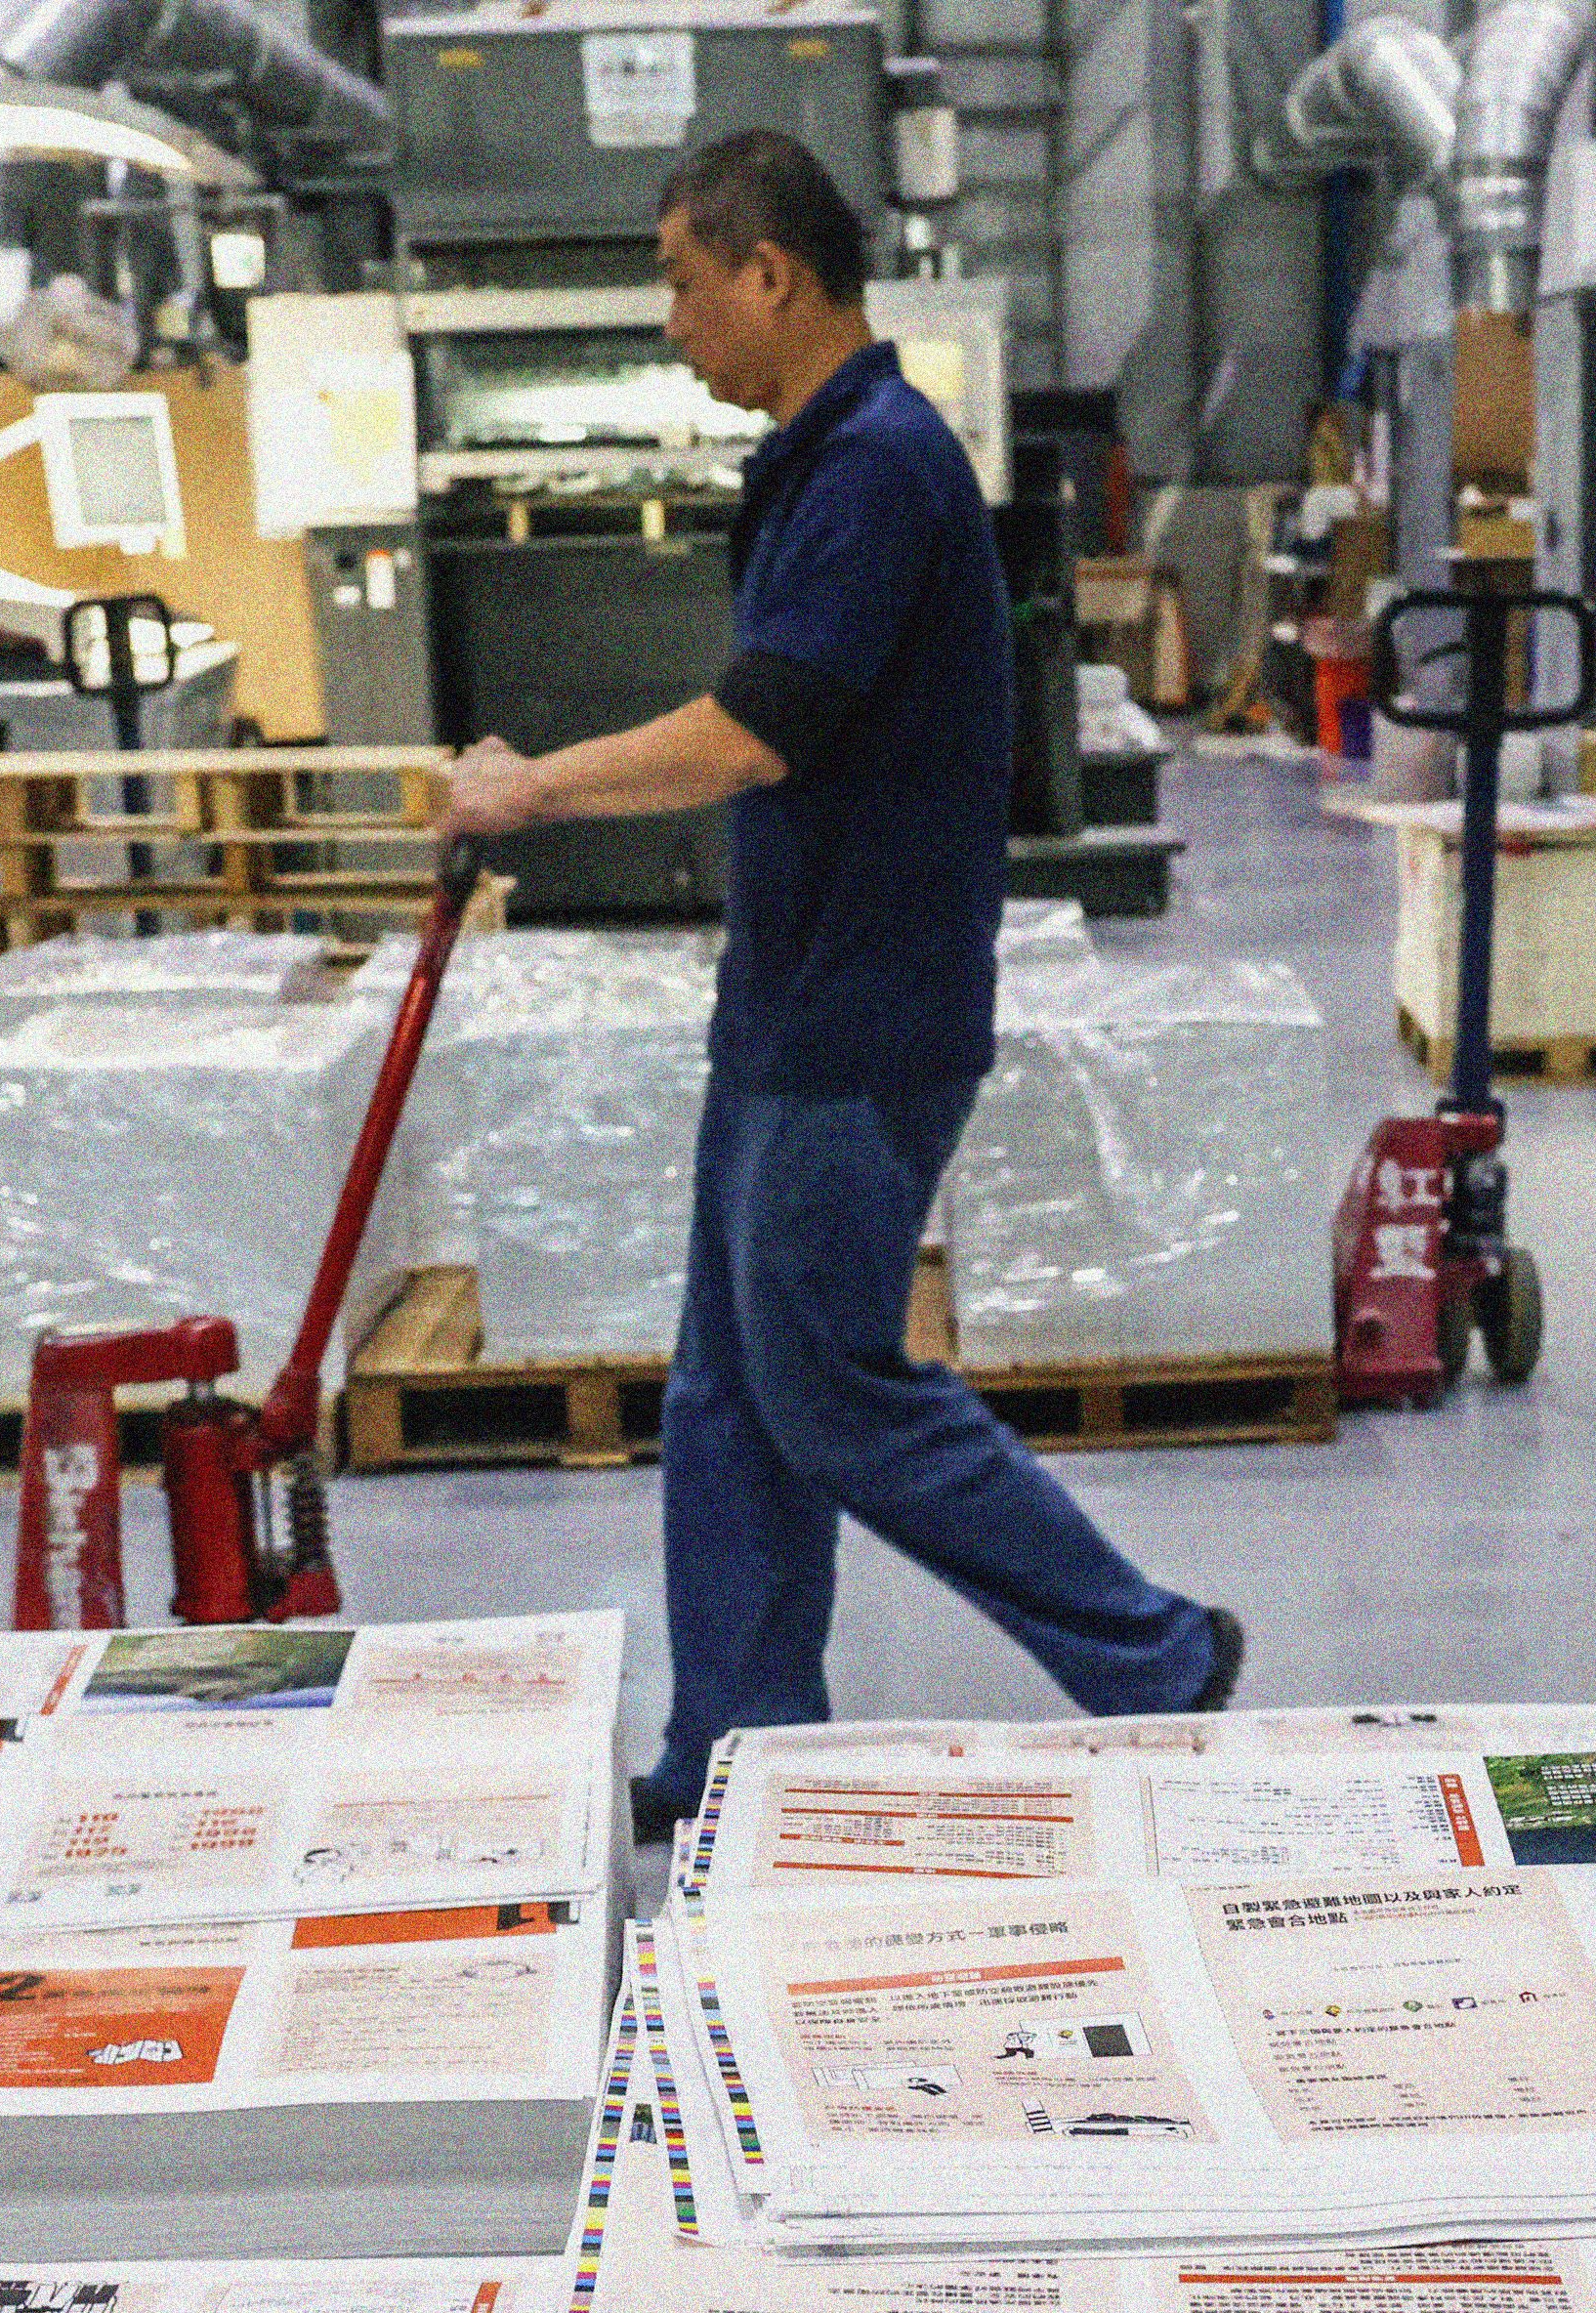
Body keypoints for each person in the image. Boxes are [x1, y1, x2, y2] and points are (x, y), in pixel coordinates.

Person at [434, 128, 1240, 1836]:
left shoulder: (876, 466)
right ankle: (733, 1730)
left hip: (861, 1017)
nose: (671, 321)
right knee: (727, 1389)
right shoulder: (818, 458)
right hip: (791, 1000)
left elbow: (752, 734)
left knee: (831, 1389)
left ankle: (1153, 1654)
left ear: (770, 275)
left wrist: (532, 787)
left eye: (679, 279)